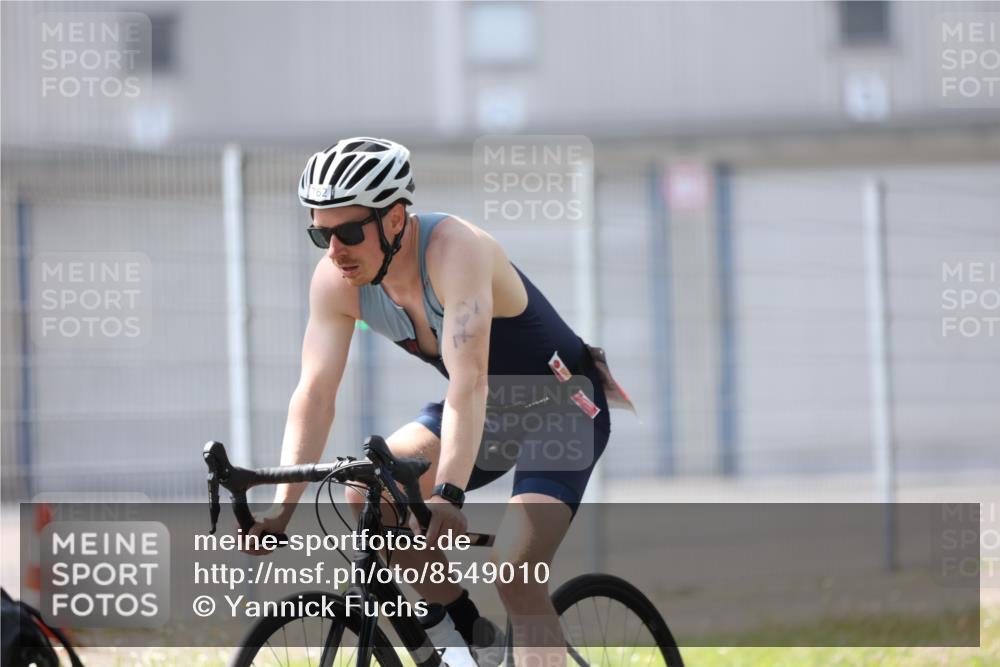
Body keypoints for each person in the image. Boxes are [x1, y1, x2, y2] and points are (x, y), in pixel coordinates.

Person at [247, 137, 621, 667]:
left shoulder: (455, 250)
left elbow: (468, 380)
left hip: (561, 408)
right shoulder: (338, 280)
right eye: (320, 234)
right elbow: (315, 392)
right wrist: (282, 507)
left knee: (515, 569)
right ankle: (467, 633)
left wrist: (448, 494)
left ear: (395, 219)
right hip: (486, 413)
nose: (335, 251)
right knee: (368, 493)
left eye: (349, 232)